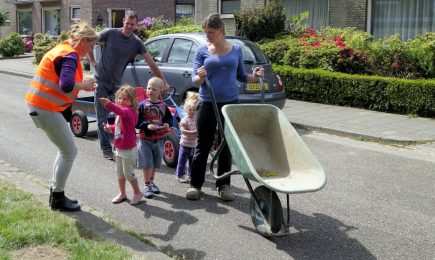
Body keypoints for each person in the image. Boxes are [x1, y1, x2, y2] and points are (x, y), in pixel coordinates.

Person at [186, 13, 264, 201]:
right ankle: (196, 185)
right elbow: (195, 79)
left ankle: (224, 185)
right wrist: (201, 77)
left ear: (221, 30)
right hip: (207, 103)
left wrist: (253, 77)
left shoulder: (236, 50)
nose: (207, 36)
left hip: (230, 104)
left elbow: (241, 75)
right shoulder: (202, 51)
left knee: (226, 145)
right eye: (205, 33)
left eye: (211, 32)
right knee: (203, 144)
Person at [24, 22, 99, 211]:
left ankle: (56, 193)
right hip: (45, 108)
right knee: (69, 151)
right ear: (82, 41)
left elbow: (60, 83)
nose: (91, 50)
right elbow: (66, 85)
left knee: (65, 150)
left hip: (41, 106)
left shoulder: (63, 49)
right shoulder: (71, 55)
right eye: (90, 45)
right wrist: (85, 84)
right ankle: (57, 198)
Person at [88, 10, 169, 160]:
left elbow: (151, 63)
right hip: (101, 80)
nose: (129, 26)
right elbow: (89, 42)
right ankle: (106, 149)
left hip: (117, 84)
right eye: (127, 23)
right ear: (123, 21)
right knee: (102, 116)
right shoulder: (109, 33)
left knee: (124, 114)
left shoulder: (136, 43)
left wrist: (163, 81)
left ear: (136, 25)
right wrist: (92, 60)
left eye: (132, 24)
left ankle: (122, 145)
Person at [98, 85, 143, 205]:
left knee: (129, 173)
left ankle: (138, 193)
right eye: (119, 98)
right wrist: (110, 128)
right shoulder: (120, 113)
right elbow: (120, 127)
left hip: (128, 149)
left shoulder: (129, 111)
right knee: (120, 173)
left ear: (131, 101)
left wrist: (109, 104)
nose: (121, 101)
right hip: (118, 148)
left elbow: (120, 111)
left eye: (125, 99)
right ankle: (122, 193)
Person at [136, 77, 173, 198]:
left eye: (154, 89)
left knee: (155, 163)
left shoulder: (163, 106)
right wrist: (147, 125)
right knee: (147, 163)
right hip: (145, 139)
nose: (150, 91)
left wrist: (167, 124)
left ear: (160, 91)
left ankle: (151, 182)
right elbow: (137, 122)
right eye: (148, 88)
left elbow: (168, 118)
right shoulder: (142, 105)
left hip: (159, 139)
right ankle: (146, 185)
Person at [175, 91, 199, 183]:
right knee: (182, 161)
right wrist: (192, 132)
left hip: (194, 145)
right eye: (190, 110)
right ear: (186, 110)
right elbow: (183, 130)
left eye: (194, 109)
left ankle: (190, 175)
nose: (192, 111)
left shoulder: (196, 119)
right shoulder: (185, 120)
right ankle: (179, 175)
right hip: (185, 145)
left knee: (193, 162)